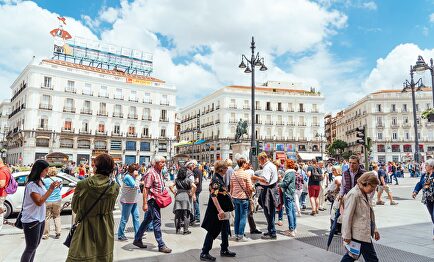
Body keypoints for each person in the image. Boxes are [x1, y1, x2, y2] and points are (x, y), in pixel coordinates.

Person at [66, 154, 119, 262]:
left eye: (94, 165)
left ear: (96, 167)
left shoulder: (83, 184)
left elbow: (75, 208)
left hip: (86, 228)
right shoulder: (115, 186)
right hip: (106, 228)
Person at [20, 160, 62, 262]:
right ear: (39, 170)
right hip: (31, 220)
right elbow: (39, 201)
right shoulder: (32, 185)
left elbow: (42, 198)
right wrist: (51, 189)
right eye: (45, 170)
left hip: (39, 218)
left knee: (34, 246)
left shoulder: (40, 182)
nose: (47, 172)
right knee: (31, 247)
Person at [133, 155, 172, 253]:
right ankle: (161, 245)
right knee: (157, 221)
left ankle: (137, 239)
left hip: (157, 199)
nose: (164, 164)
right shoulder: (151, 172)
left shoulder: (159, 171)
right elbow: (146, 189)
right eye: (161, 162)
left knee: (147, 220)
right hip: (153, 200)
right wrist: (144, 203)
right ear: (155, 163)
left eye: (164, 162)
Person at [200, 160, 236, 261]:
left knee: (225, 229)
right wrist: (220, 210)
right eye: (225, 168)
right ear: (221, 169)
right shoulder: (216, 180)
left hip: (223, 210)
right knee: (212, 230)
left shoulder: (220, 178)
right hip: (216, 211)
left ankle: (224, 249)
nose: (227, 169)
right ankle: (204, 252)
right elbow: (214, 196)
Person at [341, 172, 380, 262]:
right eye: (372, 187)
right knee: (372, 259)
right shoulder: (354, 194)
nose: (373, 190)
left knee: (352, 256)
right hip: (358, 234)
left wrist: (375, 229)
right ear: (365, 183)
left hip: (363, 232)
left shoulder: (364, 193)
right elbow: (347, 216)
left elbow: (369, 214)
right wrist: (346, 235)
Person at [252, 152, 278, 240]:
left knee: (268, 211)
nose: (260, 163)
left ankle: (272, 232)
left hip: (268, 190)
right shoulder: (272, 165)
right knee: (270, 210)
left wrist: (255, 178)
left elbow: (266, 180)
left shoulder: (267, 167)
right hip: (272, 189)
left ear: (263, 159)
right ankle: (271, 230)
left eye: (260, 160)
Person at [230, 157, 253, 241]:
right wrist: (250, 195)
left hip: (235, 197)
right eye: (246, 163)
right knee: (243, 217)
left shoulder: (234, 173)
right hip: (243, 197)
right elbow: (250, 187)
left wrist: (232, 195)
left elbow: (231, 187)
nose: (247, 164)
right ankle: (240, 235)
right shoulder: (246, 174)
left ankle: (236, 234)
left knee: (237, 216)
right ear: (243, 164)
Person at [169, 167, 196, 235]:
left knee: (177, 214)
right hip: (186, 197)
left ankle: (177, 230)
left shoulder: (177, 180)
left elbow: (170, 186)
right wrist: (191, 194)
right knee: (186, 214)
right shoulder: (188, 180)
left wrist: (174, 192)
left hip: (178, 197)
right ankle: (185, 230)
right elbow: (195, 186)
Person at [117, 165, 141, 241]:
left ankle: (138, 233)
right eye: (137, 170)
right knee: (125, 218)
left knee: (136, 217)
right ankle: (120, 234)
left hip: (133, 200)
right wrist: (137, 178)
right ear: (133, 171)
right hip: (127, 201)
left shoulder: (132, 177)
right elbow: (135, 185)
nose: (138, 171)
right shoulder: (128, 177)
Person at [412, 159, 434, 239]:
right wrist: (415, 191)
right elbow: (420, 184)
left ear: (431, 166)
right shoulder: (424, 175)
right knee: (432, 216)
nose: (425, 167)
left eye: (426, 165)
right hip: (428, 198)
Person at [42, 167, 63, 240]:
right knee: (57, 216)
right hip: (57, 200)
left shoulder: (45, 180)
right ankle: (58, 232)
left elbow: (43, 190)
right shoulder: (60, 180)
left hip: (47, 200)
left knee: (47, 217)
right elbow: (60, 189)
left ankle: (45, 234)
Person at [279, 159, 297, 237]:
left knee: (289, 211)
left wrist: (279, 184)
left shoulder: (289, 172)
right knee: (292, 211)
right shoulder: (292, 172)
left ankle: (291, 229)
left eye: (286, 163)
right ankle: (294, 228)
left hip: (288, 193)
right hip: (291, 193)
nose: (284, 164)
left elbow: (285, 183)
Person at [0, 159, 11, 232]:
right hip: (3, 194)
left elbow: (2, 184)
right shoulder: (6, 169)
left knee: (0, 212)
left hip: (1, 194)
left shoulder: (1, 171)